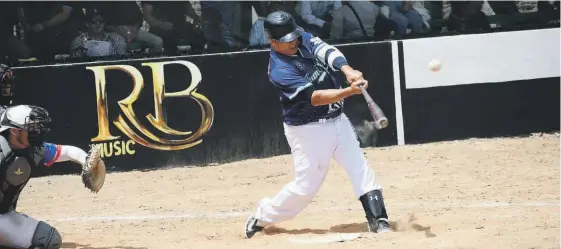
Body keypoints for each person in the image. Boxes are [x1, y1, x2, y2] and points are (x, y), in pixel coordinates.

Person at [244, 11, 391, 239]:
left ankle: (379, 219)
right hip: (308, 130)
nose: (293, 42)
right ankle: (262, 216)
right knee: (305, 188)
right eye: (286, 41)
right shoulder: (279, 70)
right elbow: (316, 97)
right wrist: (348, 92)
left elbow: (326, 50)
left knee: (359, 166)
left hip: (337, 119)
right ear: (272, 42)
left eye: (294, 37)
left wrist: (346, 69)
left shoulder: (299, 37)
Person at [0, 104, 105, 249]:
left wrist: (86, 161)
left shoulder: (35, 150)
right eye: (31, 128)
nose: (37, 132)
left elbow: (67, 152)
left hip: (4, 214)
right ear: (13, 131)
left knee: (48, 239)